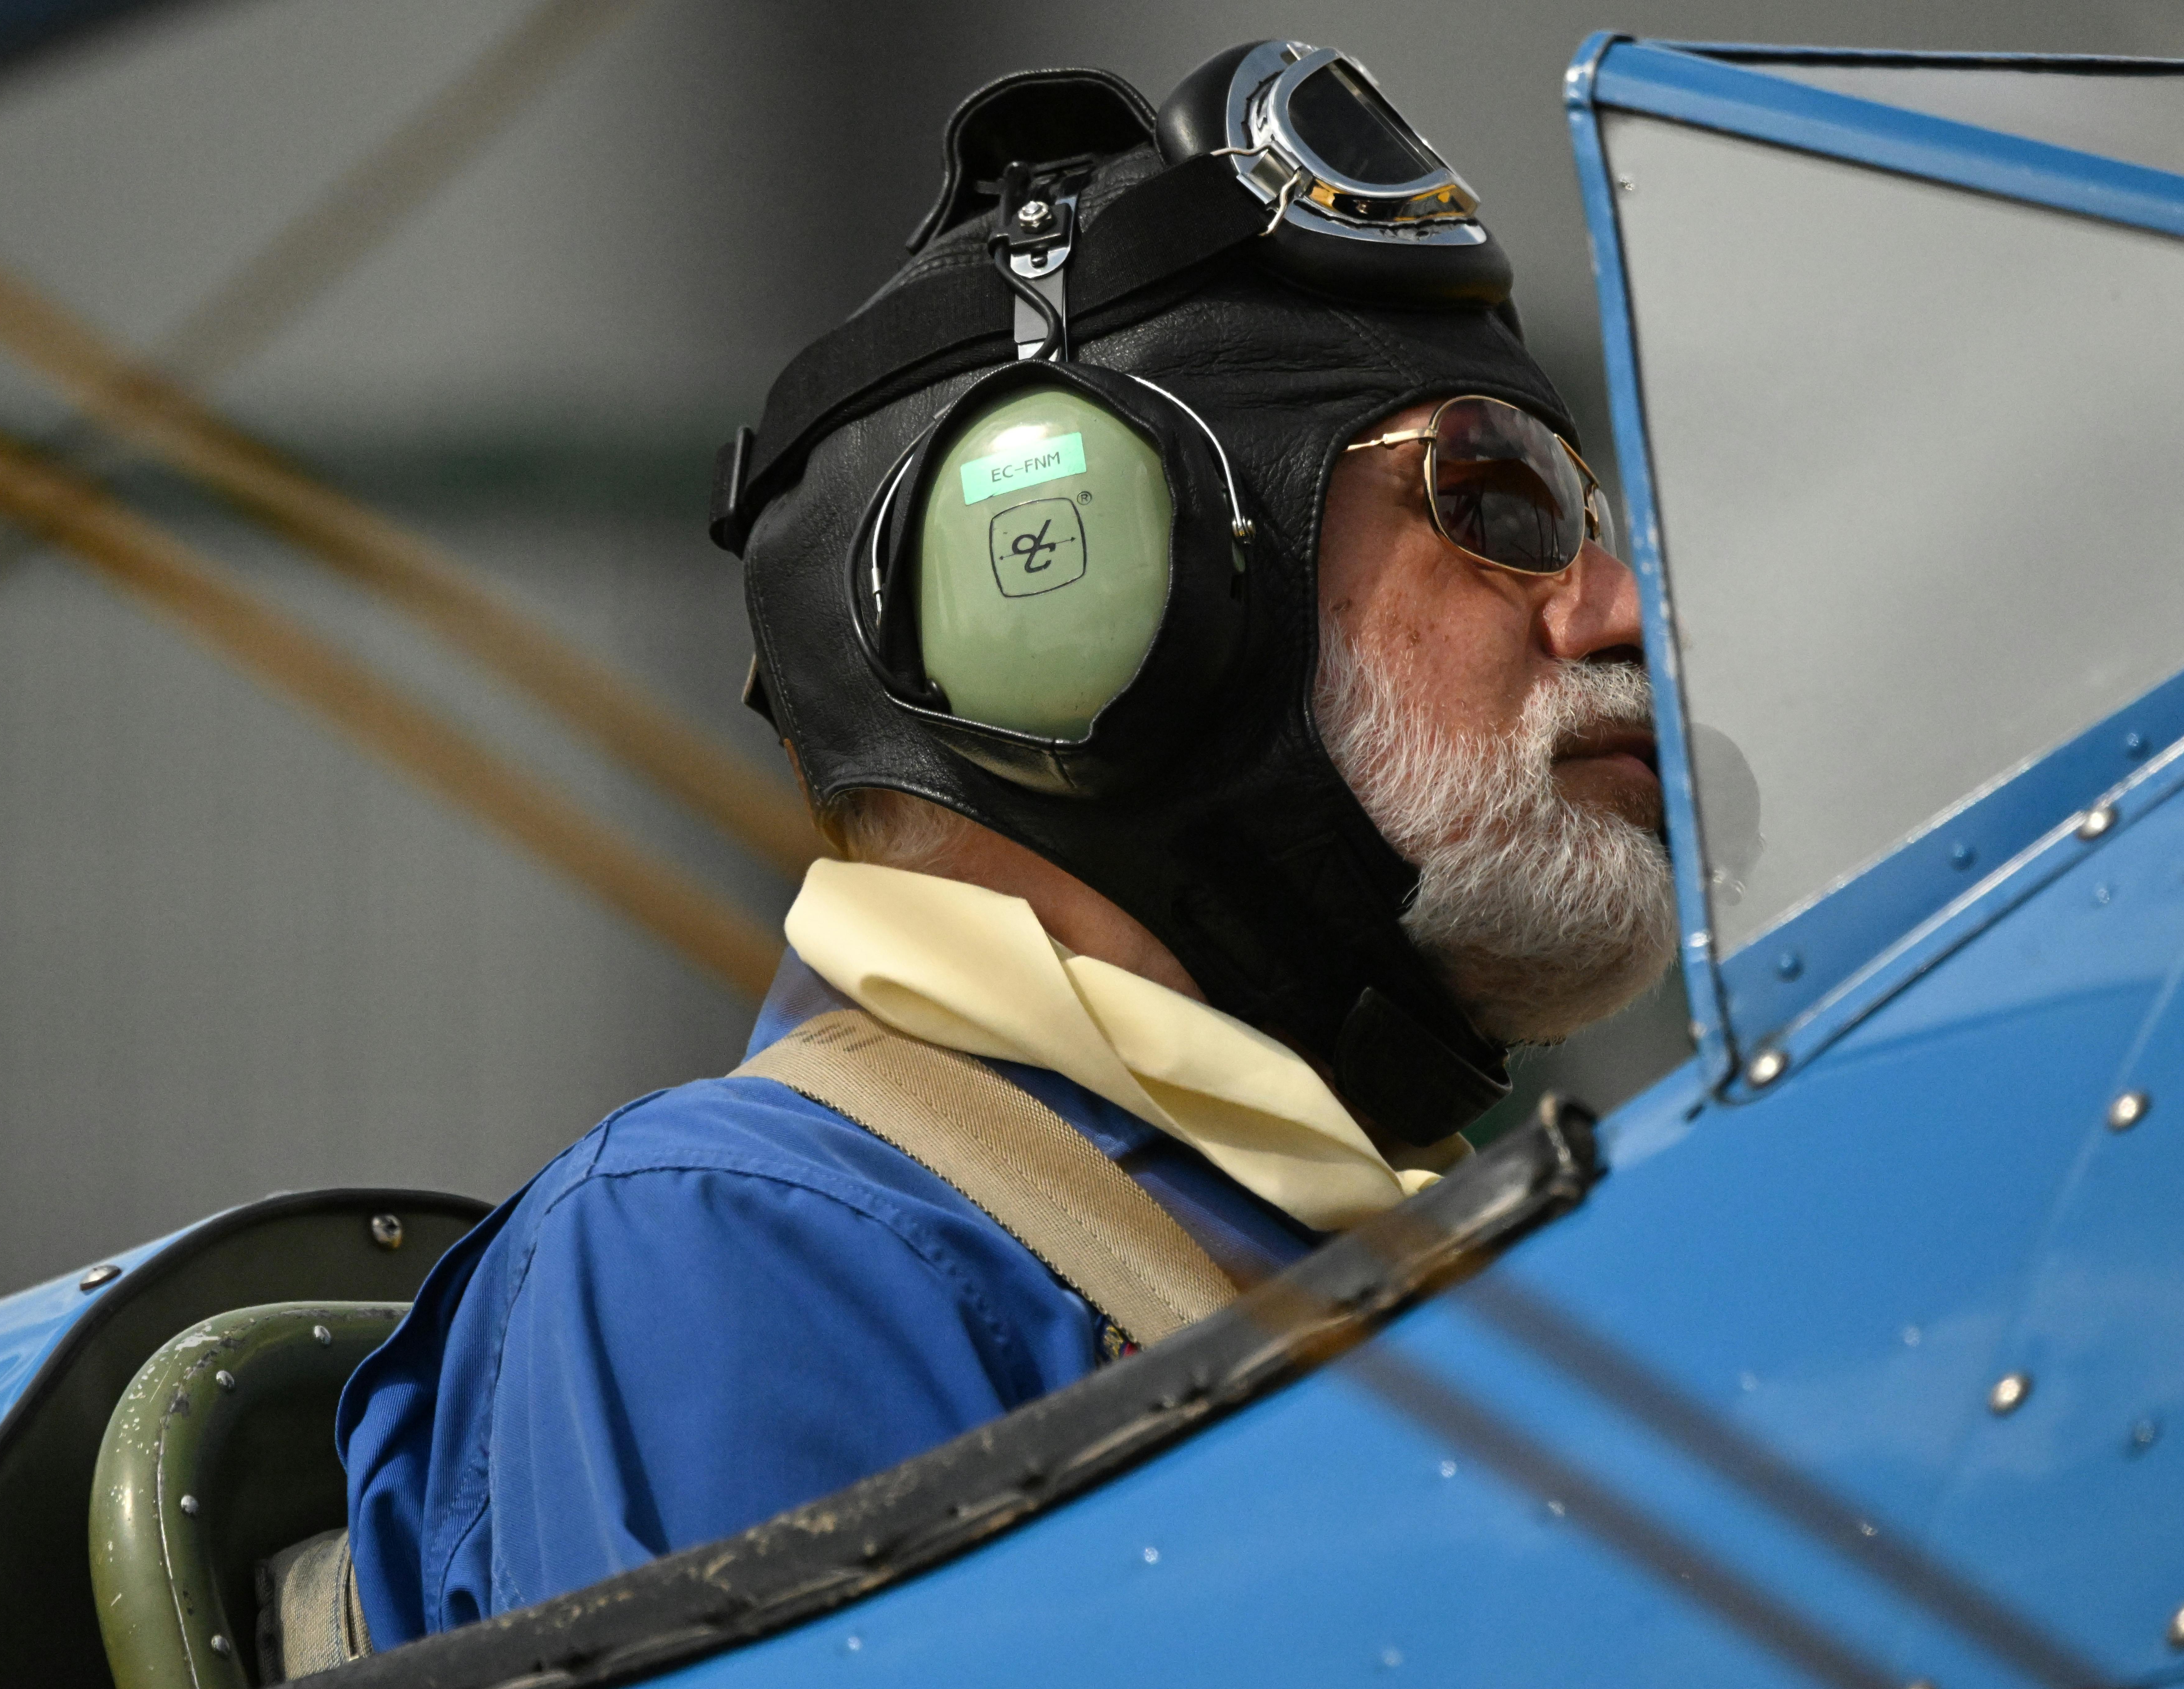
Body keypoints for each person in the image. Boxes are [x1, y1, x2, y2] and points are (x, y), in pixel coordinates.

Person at [336, 43, 1673, 1647]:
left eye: (1596, 523)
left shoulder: (1477, 1253)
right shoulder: (740, 1247)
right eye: (1501, 499)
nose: (1618, 607)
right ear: (1084, 591)